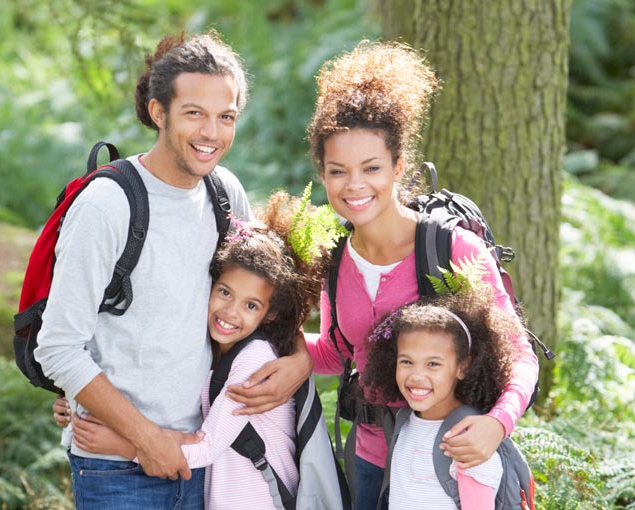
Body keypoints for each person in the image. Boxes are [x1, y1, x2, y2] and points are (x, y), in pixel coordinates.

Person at [227, 40, 539, 510]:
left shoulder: (452, 249)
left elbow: (521, 356)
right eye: (338, 171)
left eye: (371, 168)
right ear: (323, 174)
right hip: (370, 457)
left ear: (398, 167)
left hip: (450, 455)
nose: (355, 185)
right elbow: (339, 349)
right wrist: (289, 353)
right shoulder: (335, 259)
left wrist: (497, 424)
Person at [36, 31, 263, 510]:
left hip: (207, 458)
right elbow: (58, 346)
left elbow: (260, 311)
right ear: (159, 113)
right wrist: (146, 440)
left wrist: (298, 362)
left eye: (226, 117)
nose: (212, 133)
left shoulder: (227, 196)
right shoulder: (107, 205)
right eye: (194, 113)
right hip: (116, 469)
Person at [62, 191, 336, 509]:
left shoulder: (255, 359)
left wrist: (124, 445)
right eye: (224, 292)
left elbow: (206, 447)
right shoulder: (214, 349)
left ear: (270, 313)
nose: (231, 312)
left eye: (251, 305)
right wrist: (76, 397)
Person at [363, 289, 516, 509]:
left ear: (462, 367)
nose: (416, 376)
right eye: (406, 362)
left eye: (433, 364)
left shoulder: (469, 439)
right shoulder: (404, 421)